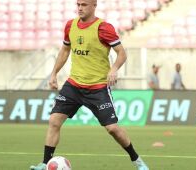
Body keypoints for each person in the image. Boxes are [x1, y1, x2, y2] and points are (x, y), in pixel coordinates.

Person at [30, 0, 149, 170]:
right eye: (78, 4)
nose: (80, 7)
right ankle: (44, 163)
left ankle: (137, 161)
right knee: (54, 121)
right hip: (74, 85)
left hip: (98, 87)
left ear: (94, 6)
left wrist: (114, 69)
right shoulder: (70, 26)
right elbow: (65, 50)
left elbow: (122, 53)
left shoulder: (104, 28)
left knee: (113, 129)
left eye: (84, 4)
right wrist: (54, 73)